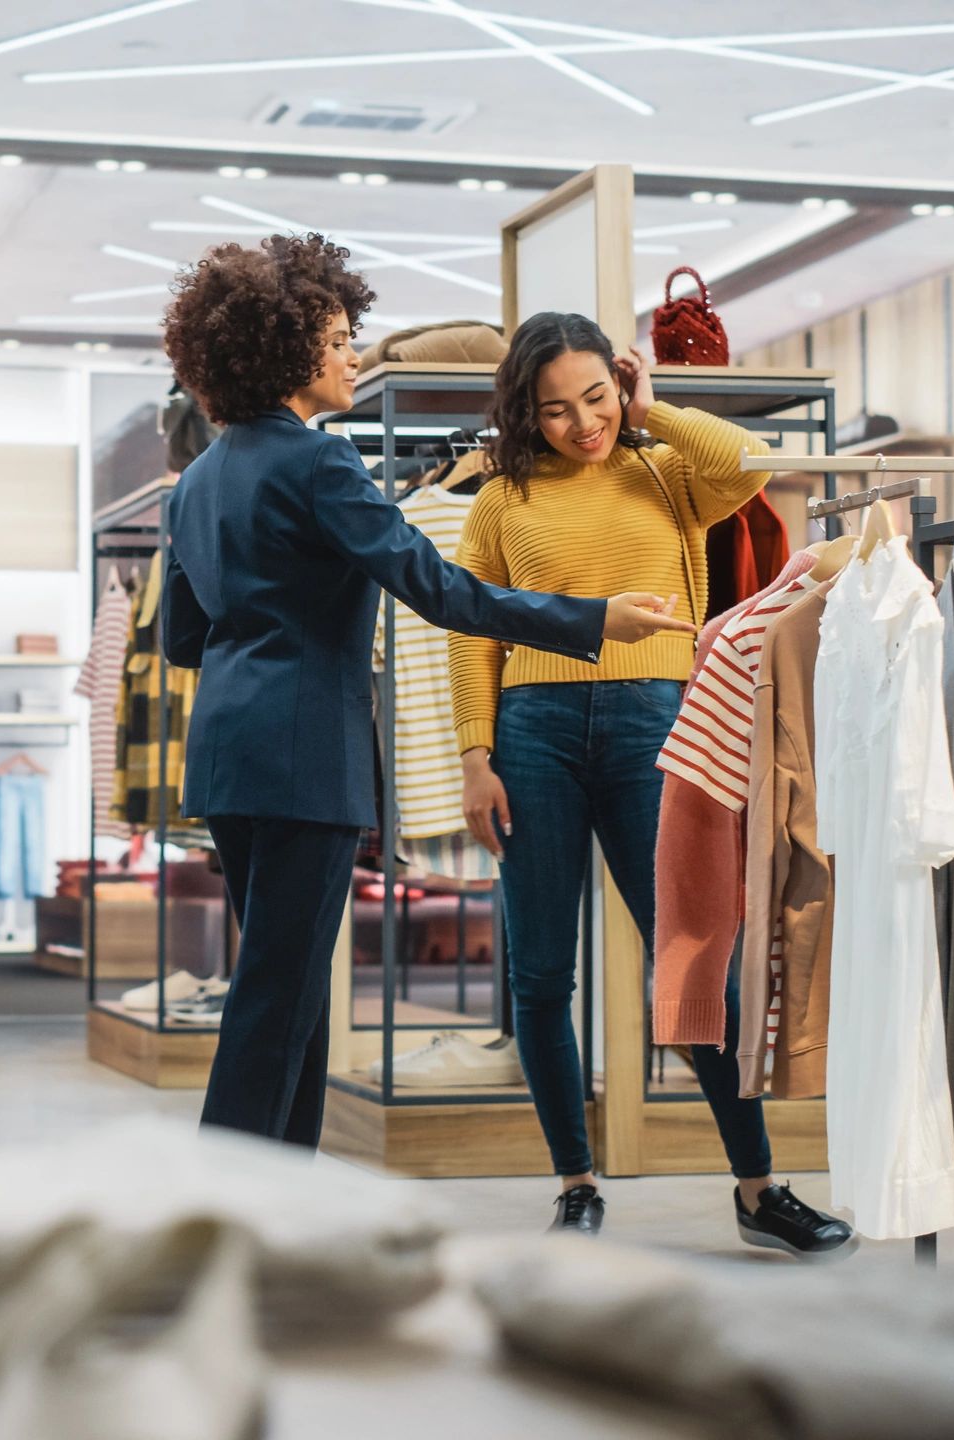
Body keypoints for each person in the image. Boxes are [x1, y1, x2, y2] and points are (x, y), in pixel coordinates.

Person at [157, 234, 692, 1151]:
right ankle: (222, 1209)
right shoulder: (322, 465)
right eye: (335, 339)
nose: (351, 354)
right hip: (303, 758)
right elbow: (443, 591)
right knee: (274, 1001)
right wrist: (592, 619)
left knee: (286, 992)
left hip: (229, 754)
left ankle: (282, 1200)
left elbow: (182, 637)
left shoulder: (196, 482)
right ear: (289, 352)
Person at [453, 310, 853, 1255]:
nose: (581, 423)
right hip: (534, 734)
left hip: (654, 726)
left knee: (695, 959)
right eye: (555, 410)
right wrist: (476, 756)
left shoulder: (667, 473)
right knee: (544, 972)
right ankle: (575, 1181)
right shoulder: (497, 502)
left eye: (595, 396)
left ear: (619, 385)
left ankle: (758, 1190)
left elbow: (749, 463)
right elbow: (471, 632)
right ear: (524, 412)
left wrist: (653, 408)